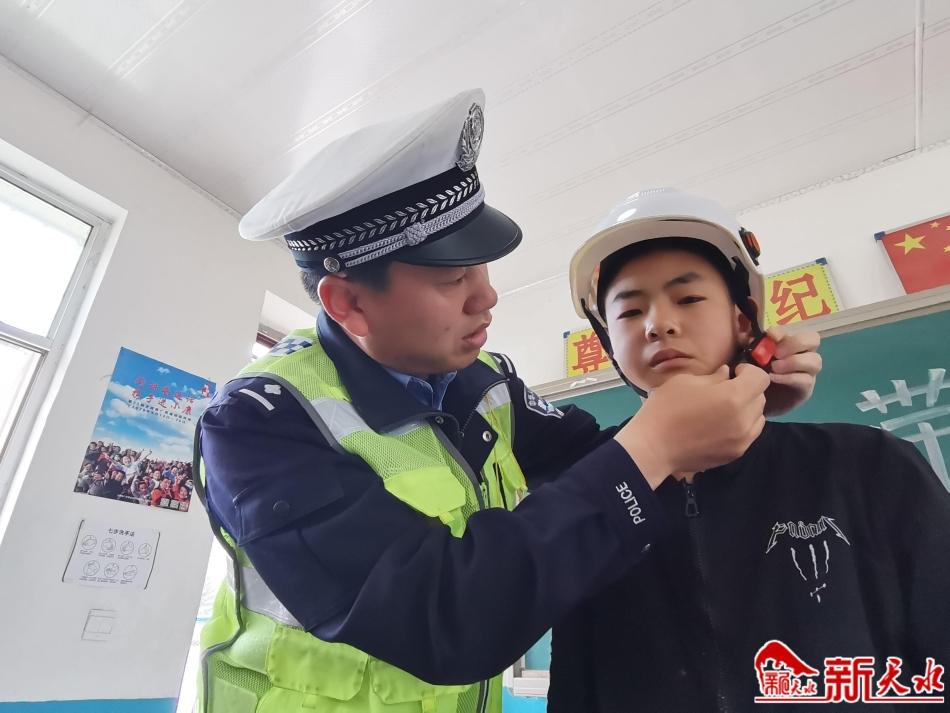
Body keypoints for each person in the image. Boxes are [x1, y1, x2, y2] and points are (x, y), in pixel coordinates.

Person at [193, 91, 821, 713]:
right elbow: (444, 616)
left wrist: (741, 389)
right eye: (452, 278)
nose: (486, 297)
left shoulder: (484, 382)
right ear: (349, 303)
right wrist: (658, 442)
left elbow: (604, 464)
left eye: (482, 267)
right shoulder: (259, 424)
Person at [548, 188, 950, 712]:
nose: (657, 324)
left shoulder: (866, 464)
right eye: (629, 311)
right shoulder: (590, 501)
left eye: (688, 299)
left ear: (744, 319)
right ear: (609, 346)